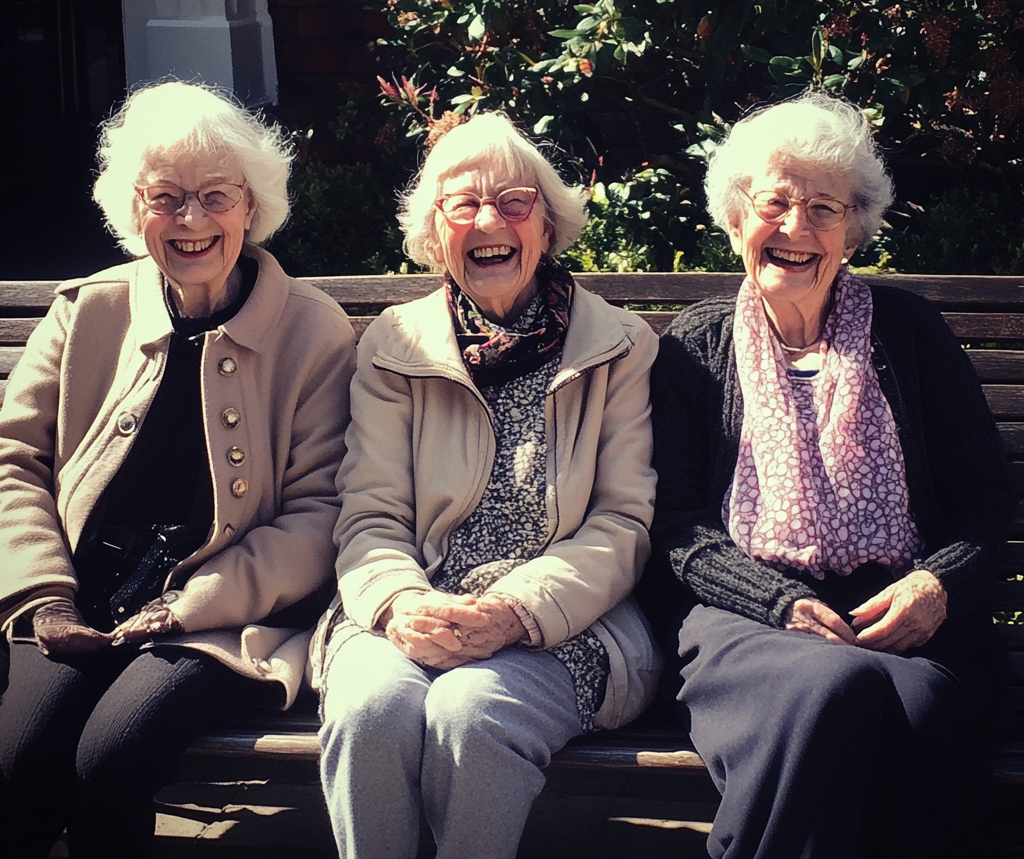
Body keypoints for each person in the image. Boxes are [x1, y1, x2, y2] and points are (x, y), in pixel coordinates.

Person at [647, 91, 1013, 859]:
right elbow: (676, 521)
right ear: (738, 216)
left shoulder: (911, 333)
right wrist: (772, 598)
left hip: (908, 617)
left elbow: (985, 501)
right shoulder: (695, 346)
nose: (796, 228)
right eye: (775, 202)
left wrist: (936, 585)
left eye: (823, 208)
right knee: (830, 689)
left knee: (915, 711)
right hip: (746, 616)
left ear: (853, 229)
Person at [0, 81, 356, 858]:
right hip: (79, 600)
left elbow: (320, 512)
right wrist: (46, 597)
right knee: (16, 761)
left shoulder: (313, 332)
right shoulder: (88, 310)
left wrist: (187, 607)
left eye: (216, 197)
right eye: (166, 198)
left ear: (251, 207)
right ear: (135, 212)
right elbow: (13, 459)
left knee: (109, 759)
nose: (191, 221)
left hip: (223, 620)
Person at [313, 112, 661, 859]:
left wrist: (514, 610)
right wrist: (401, 602)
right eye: (463, 204)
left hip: (563, 623)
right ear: (436, 234)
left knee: (474, 711)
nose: (488, 220)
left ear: (546, 224)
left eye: (513, 201)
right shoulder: (393, 346)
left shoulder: (620, 346)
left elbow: (623, 524)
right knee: (371, 709)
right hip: (415, 605)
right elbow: (369, 514)